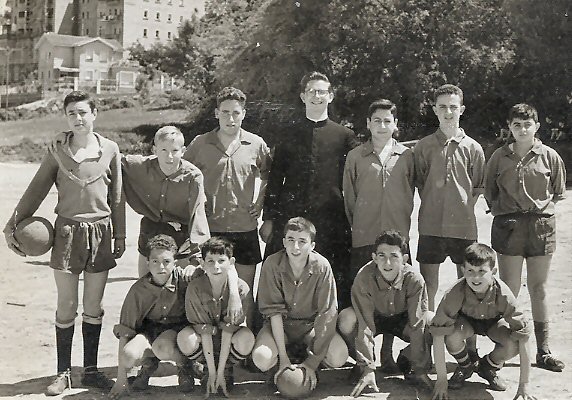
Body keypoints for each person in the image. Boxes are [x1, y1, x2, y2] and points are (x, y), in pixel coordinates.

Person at [3, 90, 125, 395]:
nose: (78, 118)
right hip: (67, 234)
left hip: (101, 233)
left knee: (94, 305)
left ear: (95, 114)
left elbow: (118, 197)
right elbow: (36, 189)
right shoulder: (57, 150)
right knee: (67, 304)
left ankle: (92, 371)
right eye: (72, 113)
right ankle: (64, 373)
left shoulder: (110, 149)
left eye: (83, 112)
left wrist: (120, 235)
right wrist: (11, 226)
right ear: (66, 118)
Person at [260, 71, 357, 308]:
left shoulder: (344, 136)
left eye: (322, 91)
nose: (316, 96)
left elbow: (355, 178)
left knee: (334, 275)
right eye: (311, 91)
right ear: (303, 96)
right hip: (290, 214)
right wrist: (269, 218)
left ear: (330, 96)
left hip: (331, 218)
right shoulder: (287, 133)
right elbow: (275, 178)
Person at [484, 103, 566, 372]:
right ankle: (506, 348)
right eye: (517, 125)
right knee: (509, 288)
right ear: (509, 127)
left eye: (527, 125)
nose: (522, 130)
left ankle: (543, 350)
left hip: (541, 226)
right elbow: (489, 192)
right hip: (509, 226)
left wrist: (537, 210)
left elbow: (557, 191)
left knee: (538, 288)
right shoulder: (499, 156)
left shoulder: (549, 156)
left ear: (537, 126)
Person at [183, 87, 271, 328]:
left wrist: (260, 202)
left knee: (245, 291)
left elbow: (268, 175)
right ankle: (214, 344)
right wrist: (196, 207)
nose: (230, 118)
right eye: (225, 112)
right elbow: (183, 174)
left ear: (244, 114)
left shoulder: (256, 143)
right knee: (213, 290)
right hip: (212, 230)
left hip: (245, 228)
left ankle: (248, 342)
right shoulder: (201, 143)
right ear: (216, 113)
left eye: (235, 113)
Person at [343, 99, 415, 372]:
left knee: (394, 299)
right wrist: (361, 225)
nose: (382, 126)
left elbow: (412, 191)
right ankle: (365, 358)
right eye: (377, 120)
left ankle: (387, 353)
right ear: (368, 124)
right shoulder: (355, 156)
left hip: (397, 240)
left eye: (387, 121)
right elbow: (349, 199)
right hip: (365, 238)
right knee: (365, 300)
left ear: (395, 125)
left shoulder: (407, 156)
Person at [252, 217, 348, 396]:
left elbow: (327, 314)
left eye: (302, 241)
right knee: (261, 357)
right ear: (283, 242)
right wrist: (283, 358)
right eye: (291, 240)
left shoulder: (322, 266)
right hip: (281, 327)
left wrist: (313, 361)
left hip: (310, 328)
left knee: (339, 356)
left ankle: (309, 364)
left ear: (312, 245)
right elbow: (274, 312)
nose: (295, 247)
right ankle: (281, 365)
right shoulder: (272, 264)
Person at [413, 84, 486, 312]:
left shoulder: (473, 148)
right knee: (429, 284)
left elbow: (477, 187)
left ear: (461, 109)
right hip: (430, 226)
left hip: (463, 228)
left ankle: (465, 332)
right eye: (442, 107)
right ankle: (429, 329)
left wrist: (460, 207)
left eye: (453, 107)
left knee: (466, 283)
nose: (448, 112)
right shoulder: (423, 147)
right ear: (435, 109)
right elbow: (421, 183)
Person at [431, 243, 534, 399]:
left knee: (513, 345)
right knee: (451, 336)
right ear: (463, 271)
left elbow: (523, 336)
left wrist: (524, 385)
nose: (476, 277)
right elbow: (438, 333)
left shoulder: (504, 294)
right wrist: (441, 381)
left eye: (482, 271)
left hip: (493, 323)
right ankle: (466, 366)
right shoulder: (454, 292)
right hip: (466, 322)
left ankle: (487, 367)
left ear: (493, 272)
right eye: (470, 271)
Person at [337, 231, 432, 397]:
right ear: (374, 257)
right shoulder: (364, 277)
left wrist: (420, 368)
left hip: (402, 319)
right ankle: (362, 364)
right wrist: (367, 366)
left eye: (394, 256)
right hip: (374, 318)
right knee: (346, 319)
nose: (387, 263)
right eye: (382, 256)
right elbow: (365, 323)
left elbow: (418, 324)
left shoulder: (415, 279)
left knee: (431, 321)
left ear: (404, 259)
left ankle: (407, 359)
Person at [109, 234, 196, 399]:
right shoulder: (138, 290)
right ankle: (149, 364)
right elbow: (125, 330)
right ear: (147, 262)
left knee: (162, 347)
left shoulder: (184, 281)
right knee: (128, 355)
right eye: (155, 261)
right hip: (150, 331)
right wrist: (121, 379)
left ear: (175, 262)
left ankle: (185, 365)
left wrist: (195, 267)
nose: (161, 266)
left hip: (175, 332)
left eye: (167, 261)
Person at [121, 125, 210, 277]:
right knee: (146, 284)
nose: (169, 156)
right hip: (151, 228)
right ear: (154, 150)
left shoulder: (193, 176)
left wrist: (197, 255)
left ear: (183, 151)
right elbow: (112, 157)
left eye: (175, 151)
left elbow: (198, 214)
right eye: (163, 150)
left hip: (181, 232)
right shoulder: (140, 166)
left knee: (181, 282)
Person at [177, 237, 255, 397]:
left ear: (231, 262)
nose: (216, 266)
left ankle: (226, 369)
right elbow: (204, 331)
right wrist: (212, 372)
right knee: (185, 337)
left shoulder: (241, 289)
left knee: (247, 338)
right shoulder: (195, 287)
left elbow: (228, 330)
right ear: (202, 263)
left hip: (228, 340)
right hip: (206, 340)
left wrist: (219, 372)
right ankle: (205, 368)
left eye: (221, 260)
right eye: (210, 261)